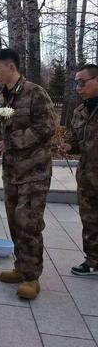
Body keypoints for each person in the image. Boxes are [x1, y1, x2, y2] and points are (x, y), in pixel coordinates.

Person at [0, 49, 56, 300]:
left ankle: (31, 278)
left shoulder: (35, 93)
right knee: (15, 222)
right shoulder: (0, 98)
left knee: (28, 223)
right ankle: (20, 267)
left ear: (11, 68)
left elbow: (47, 127)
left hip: (34, 172)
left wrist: (13, 142)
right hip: (12, 173)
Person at [61, 64, 98, 276]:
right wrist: (68, 146)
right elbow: (75, 140)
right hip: (88, 177)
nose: (78, 87)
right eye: (76, 83)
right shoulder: (80, 111)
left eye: (82, 82)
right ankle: (93, 260)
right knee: (90, 220)